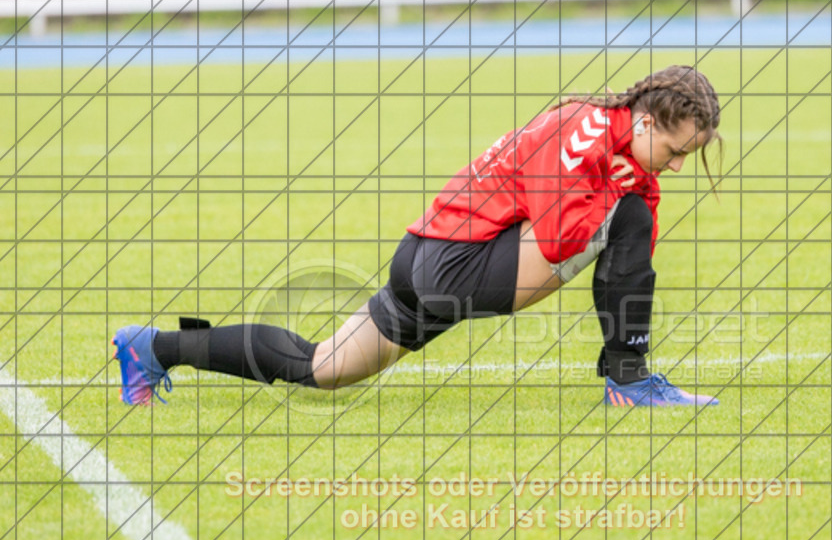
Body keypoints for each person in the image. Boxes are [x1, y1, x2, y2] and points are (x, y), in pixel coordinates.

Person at [112, 65, 723, 407]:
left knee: (319, 368)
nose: (674, 165)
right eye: (673, 150)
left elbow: (631, 250)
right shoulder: (583, 131)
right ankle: (631, 379)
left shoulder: (623, 152)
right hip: (452, 266)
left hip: (428, 261)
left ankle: (153, 346)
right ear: (645, 120)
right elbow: (568, 242)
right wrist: (618, 211)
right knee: (628, 220)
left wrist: (624, 209)